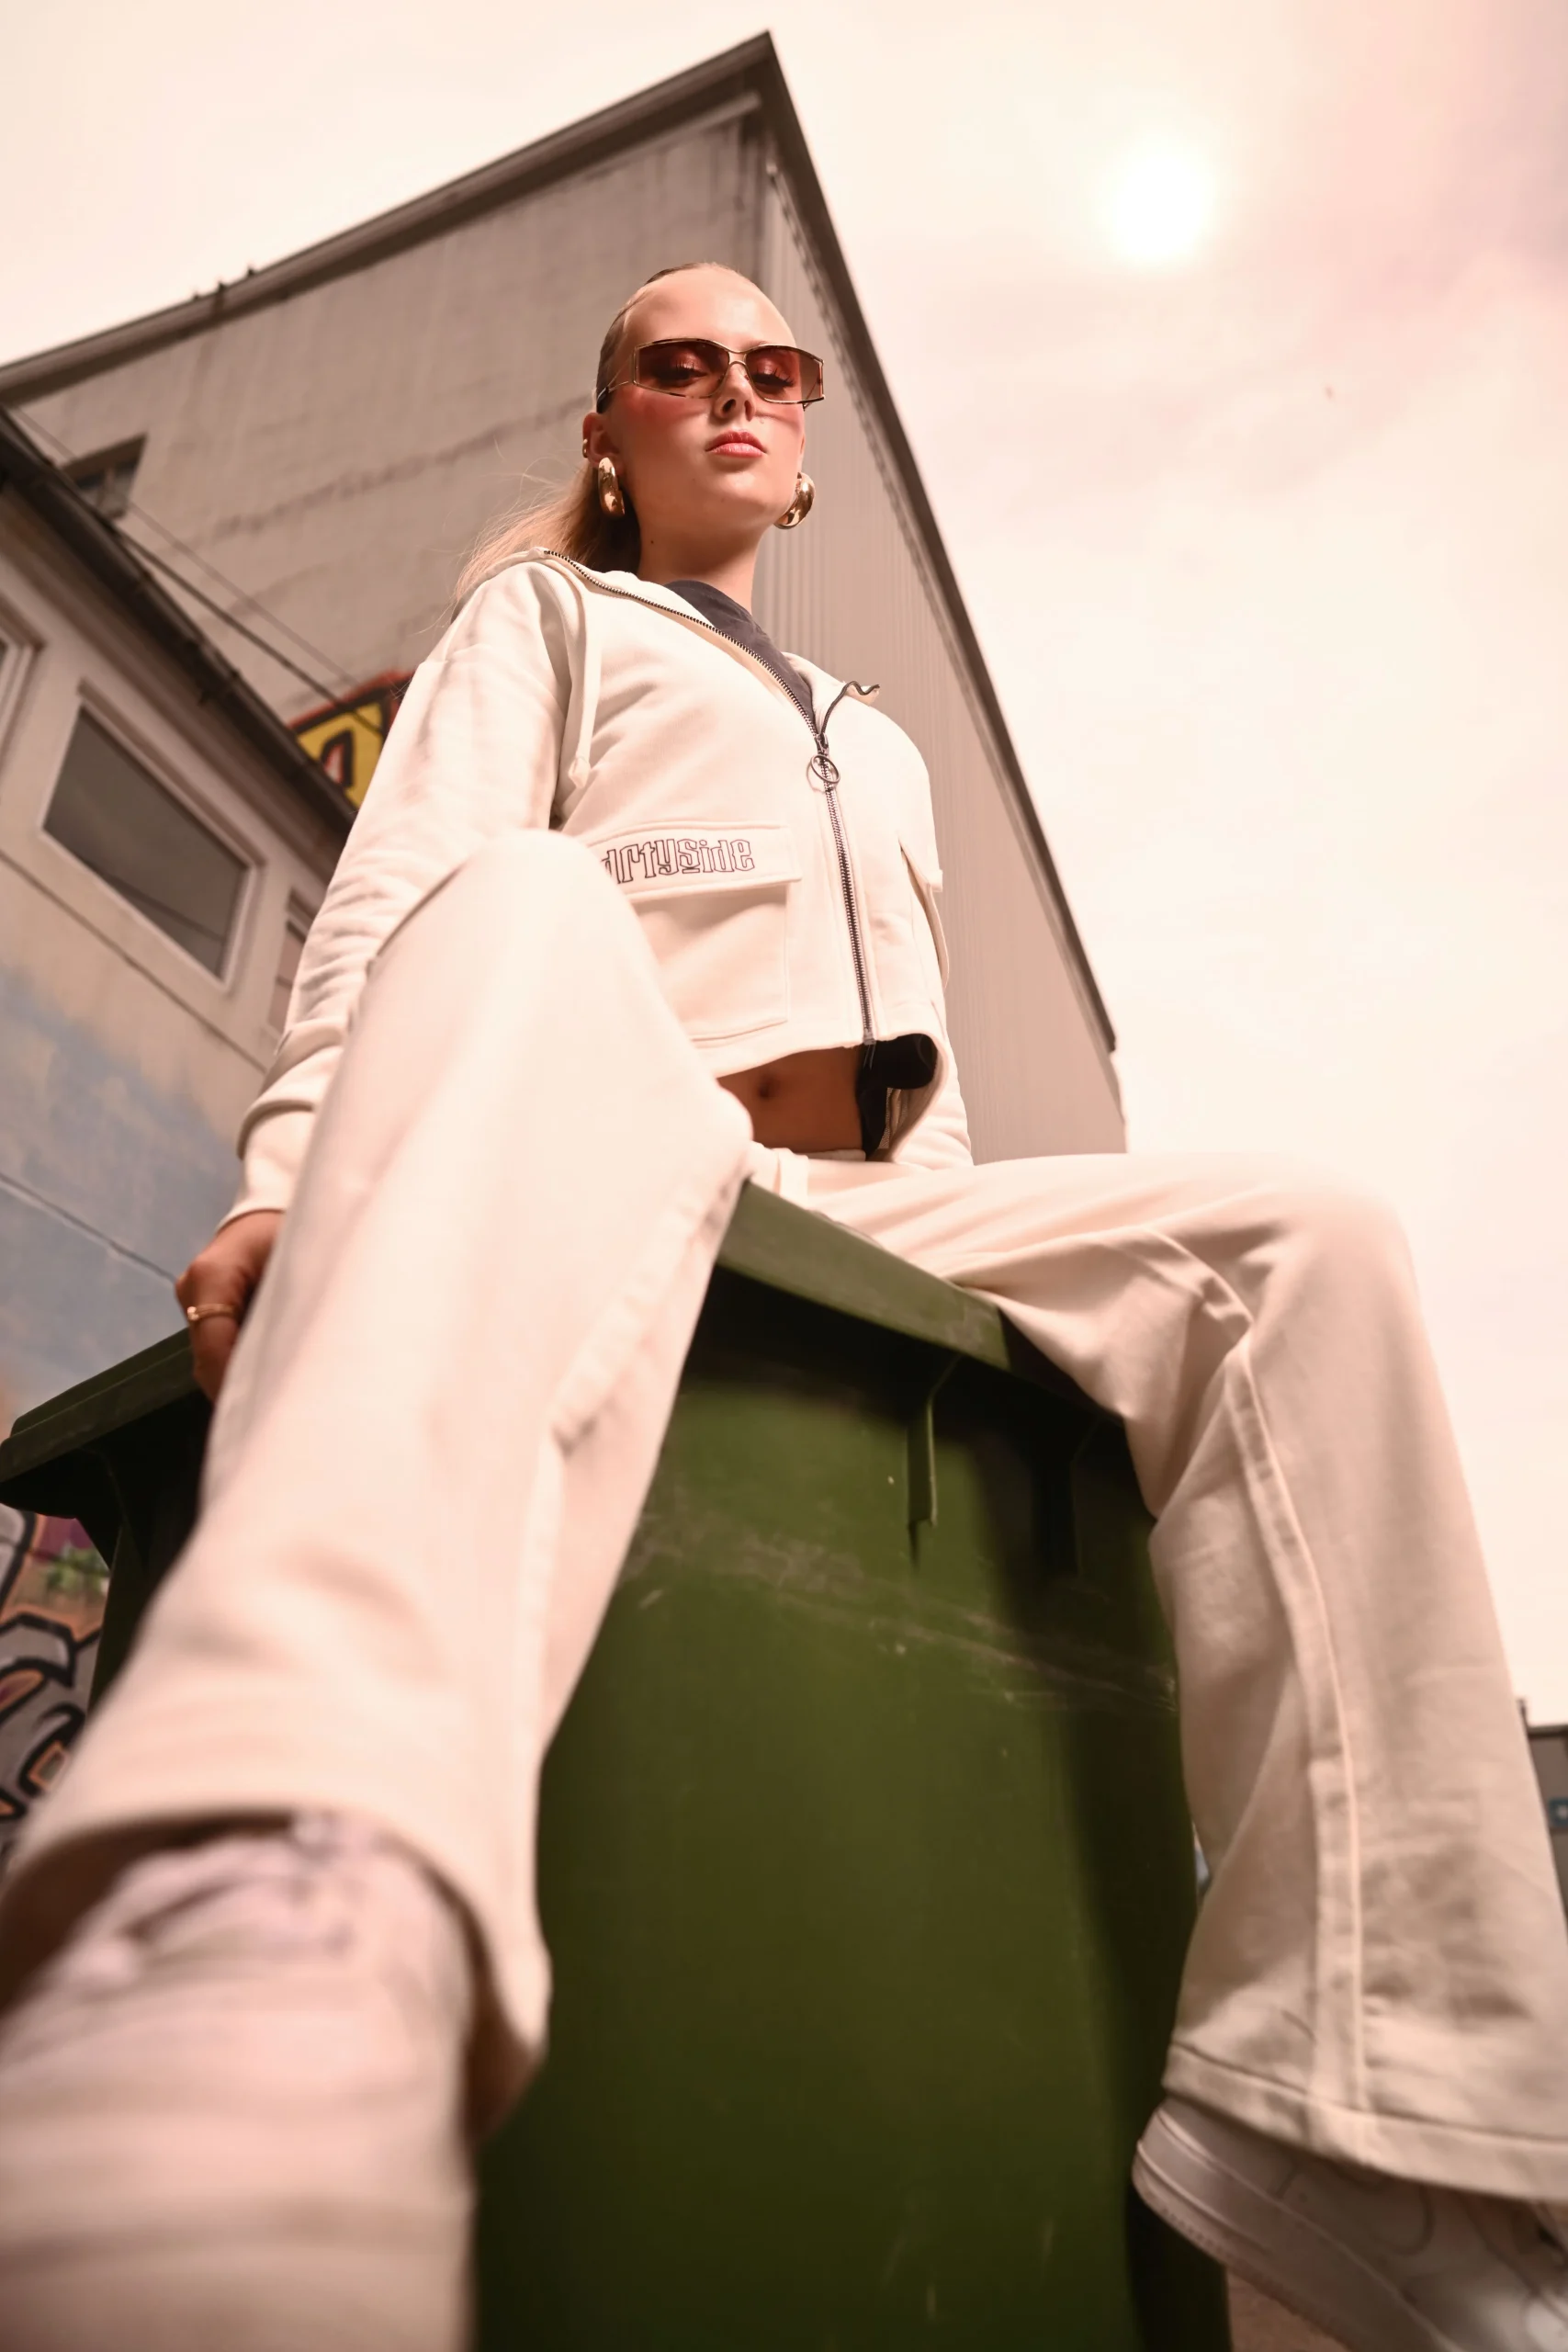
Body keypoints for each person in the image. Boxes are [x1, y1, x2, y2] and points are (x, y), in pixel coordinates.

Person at [0, 260, 1564, 2352]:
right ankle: (276, 1883)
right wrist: (296, 1167)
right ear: (610, 432)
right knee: (521, 893)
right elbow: (401, 901)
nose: (734, 391)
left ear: (803, 438)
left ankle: (1373, 2126)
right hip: (604, 1117)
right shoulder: (550, 621)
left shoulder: (873, 740)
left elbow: (928, 1069)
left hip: (869, 1209)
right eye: (679, 365)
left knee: (1313, 1241)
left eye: (773, 367)